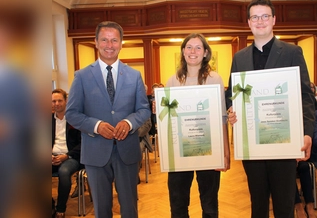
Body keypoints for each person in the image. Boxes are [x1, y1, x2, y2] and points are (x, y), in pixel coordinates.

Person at [225, 0, 315, 218]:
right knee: (257, 203)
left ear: (274, 19)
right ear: (248, 22)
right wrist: (231, 110)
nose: (260, 21)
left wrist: (307, 133)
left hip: (283, 141)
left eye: (265, 16)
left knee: (284, 203)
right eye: (255, 17)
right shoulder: (239, 57)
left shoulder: (293, 52)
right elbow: (232, 95)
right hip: (252, 143)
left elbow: (306, 95)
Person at [65, 21, 151, 218]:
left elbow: (144, 110)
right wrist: (96, 126)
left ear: (121, 43)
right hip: (95, 152)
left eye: (114, 40)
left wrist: (129, 123)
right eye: (104, 40)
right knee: (102, 210)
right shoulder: (82, 76)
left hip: (127, 151)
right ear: (96, 42)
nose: (109, 45)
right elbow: (72, 113)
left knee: (129, 208)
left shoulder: (134, 75)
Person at [164, 33, 230, 218]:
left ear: (205, 52)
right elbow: (168, 120)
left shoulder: (215, 79)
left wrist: (225, 152)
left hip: (209, 148)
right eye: (189, 47)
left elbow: (222, 118)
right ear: (183, 52)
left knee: (209, 204)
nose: (193, 51)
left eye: (198, 47)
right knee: (178, 203)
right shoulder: (172, 81)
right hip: (179, 151)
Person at [52, 89, 82, 218]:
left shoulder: (75, 120)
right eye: (54, 101)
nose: (57, 103)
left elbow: (83, 143)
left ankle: (61, 209)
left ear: (66, 101)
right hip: (52, 157)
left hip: (71, 157)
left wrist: (67, 155)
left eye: (60, 100)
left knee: (63, 172)